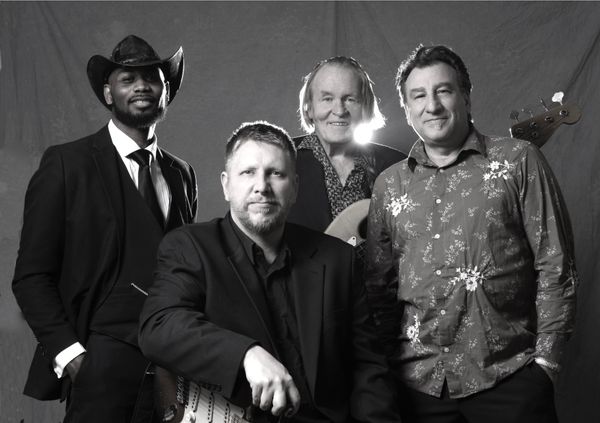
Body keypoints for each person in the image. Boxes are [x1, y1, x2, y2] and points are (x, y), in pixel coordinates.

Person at [364, 44, 577, 423]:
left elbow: (555, 265)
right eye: (419, 96)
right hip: (417, 388)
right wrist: (384, 373)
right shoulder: (388, 185)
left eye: (443, 91)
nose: (432, 105)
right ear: (407, 109)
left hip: (510, 378)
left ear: (465, 96)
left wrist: (547, 363)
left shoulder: (518, 161)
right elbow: (379, 290)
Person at [138, 121, 401, 423]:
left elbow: (367, 367)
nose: (261, 187)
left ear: (295, 187)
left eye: (276, 173)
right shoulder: (190, 246)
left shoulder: (338, 258)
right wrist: (246, 355)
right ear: (226, 185)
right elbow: (159, 325)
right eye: (248, 172)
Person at [12, 35, 197, 422]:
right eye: (128, 79)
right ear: (108, 93)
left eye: (152, 78)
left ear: (166, 91)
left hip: (170, 371)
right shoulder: (67, 164)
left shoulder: (181, 174)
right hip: (99, 367)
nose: (142, 86)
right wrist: (72, 358)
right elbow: (31, 277)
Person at [287, 56, 406, 233]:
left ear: (366, 108)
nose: (339, 111)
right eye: (327, 99)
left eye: (350, 99)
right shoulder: (281, 159)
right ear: (309, 108)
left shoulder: (398, 166)